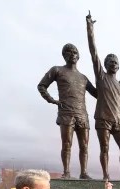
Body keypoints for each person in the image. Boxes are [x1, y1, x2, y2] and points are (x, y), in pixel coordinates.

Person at [38, 43, 97, 179]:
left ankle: (84, 172)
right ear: (64, 55)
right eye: (69, 52)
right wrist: (51, 100)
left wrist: (106, 85)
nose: (72, 55)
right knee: (67, 144)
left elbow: (97, 94)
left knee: (84, 146)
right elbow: (42, 86)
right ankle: (66, 172)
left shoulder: (83, 77)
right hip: (66, 113)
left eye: (75, 52)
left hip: (82, 114)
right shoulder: (57, 70)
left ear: (79, 56)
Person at [86, 13, 120, 180]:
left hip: (118, 121)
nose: (113, 64)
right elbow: (93, 51)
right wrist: (90, 27)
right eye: (110, 62)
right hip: (103, 119)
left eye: (115, 62)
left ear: (118, 66)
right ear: (105, 65)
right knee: (104, 148)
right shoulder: (101, 76)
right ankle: (106, 175)